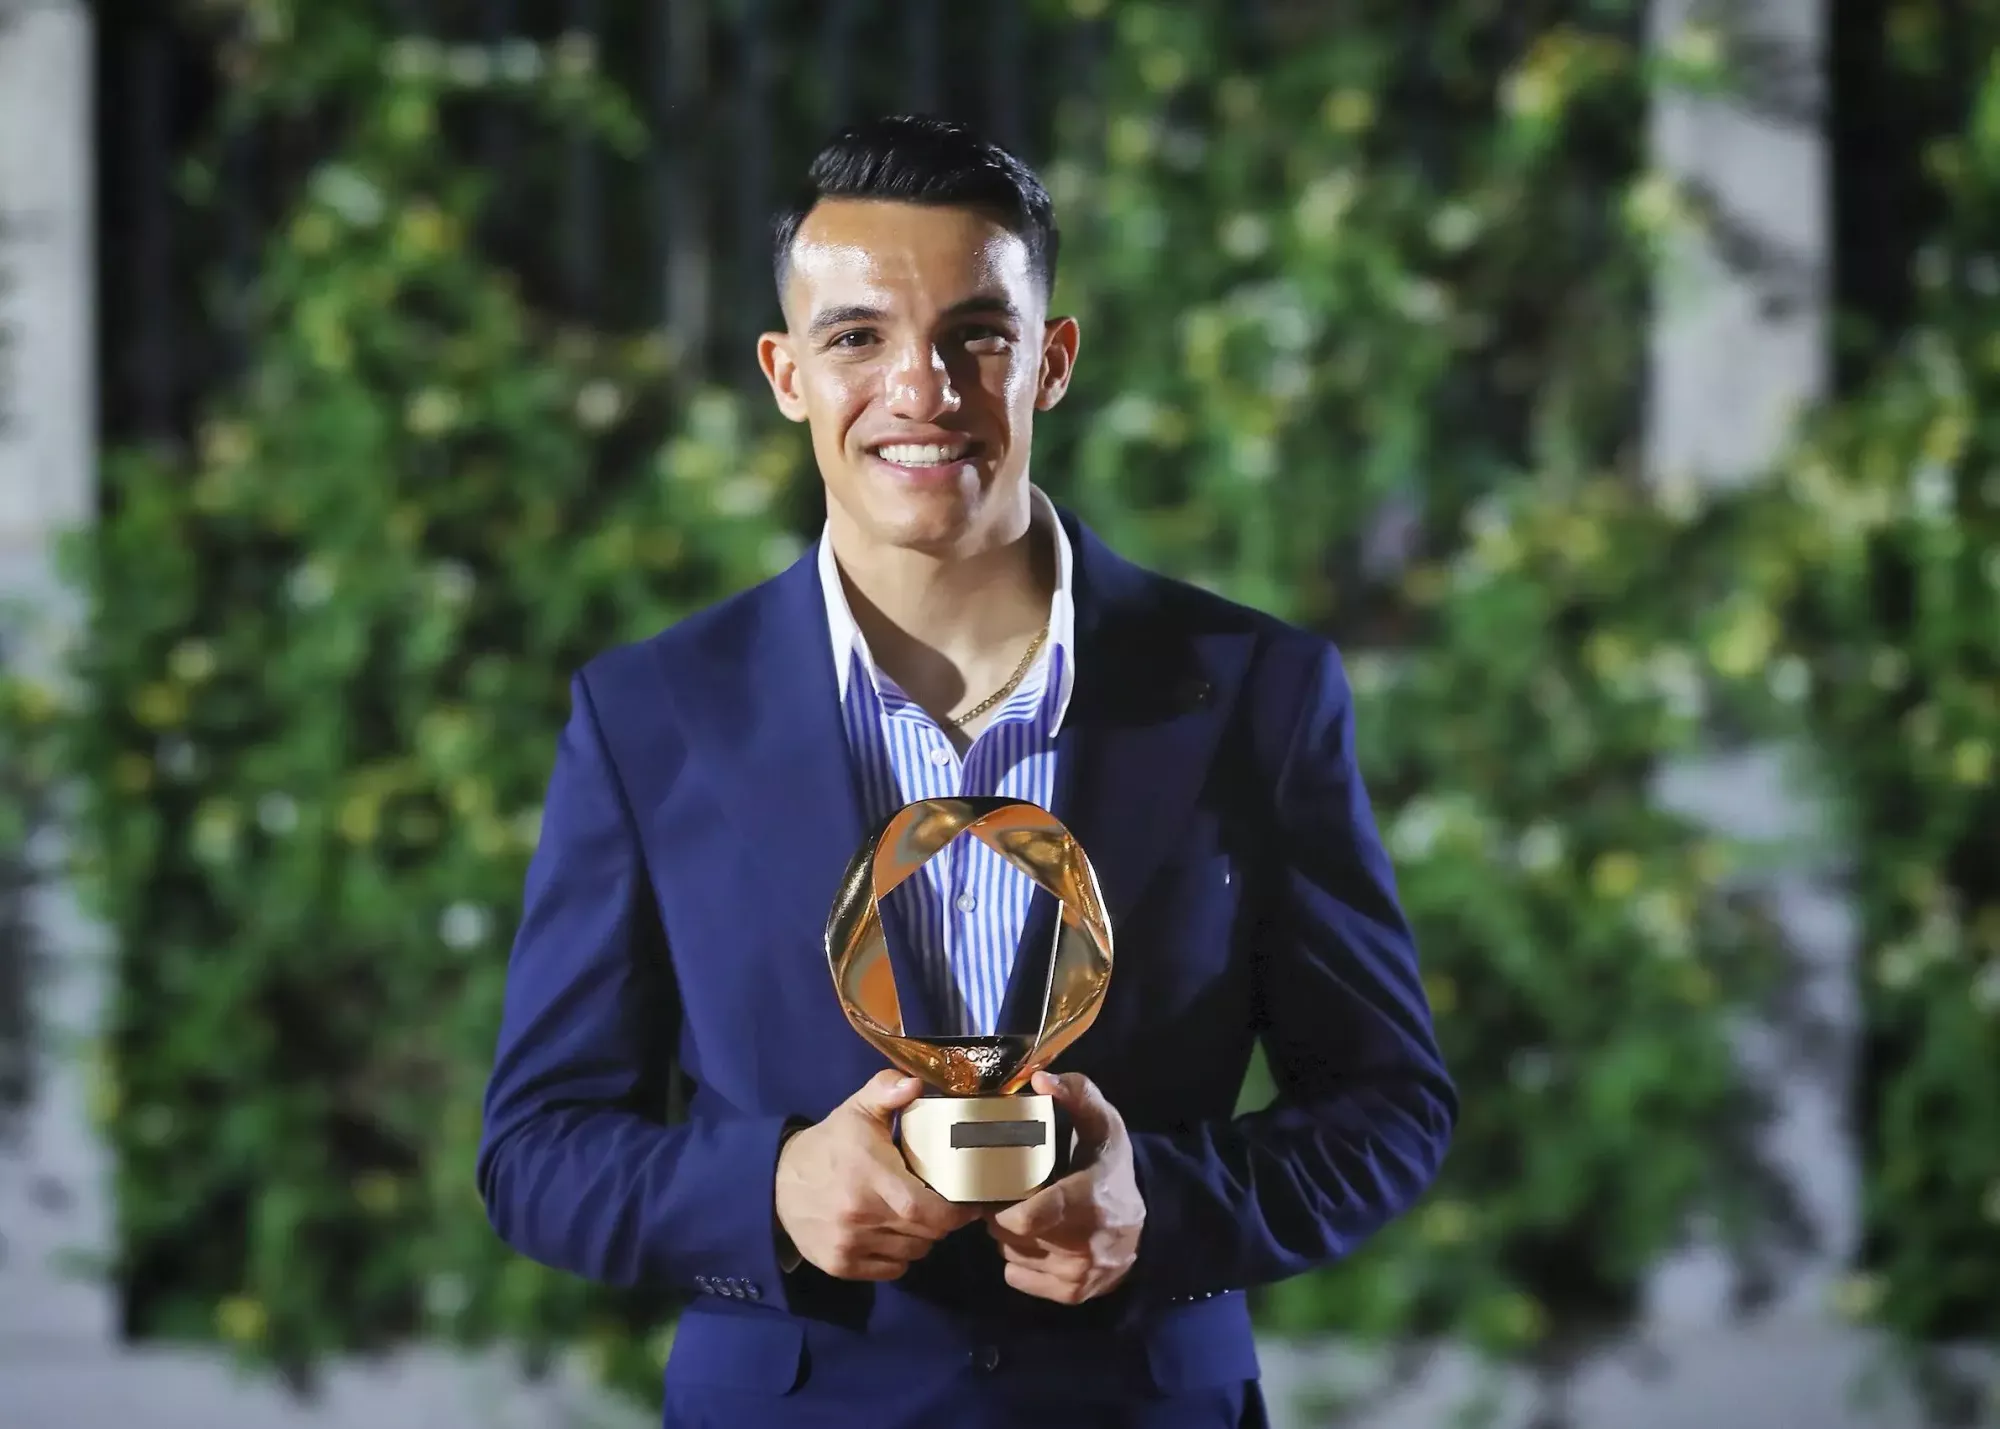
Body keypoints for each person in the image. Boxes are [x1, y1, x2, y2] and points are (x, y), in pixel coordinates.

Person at [478, 113, 1456, 1429]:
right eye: (857, 337)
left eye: (976, 335)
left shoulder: (1256, 692)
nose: (922, 390)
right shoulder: (651, 714)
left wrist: (1161, 1206)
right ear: (785, 373)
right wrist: (770, 1192)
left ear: (1051, 361)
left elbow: (1388, 1108)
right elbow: (536, 1152)